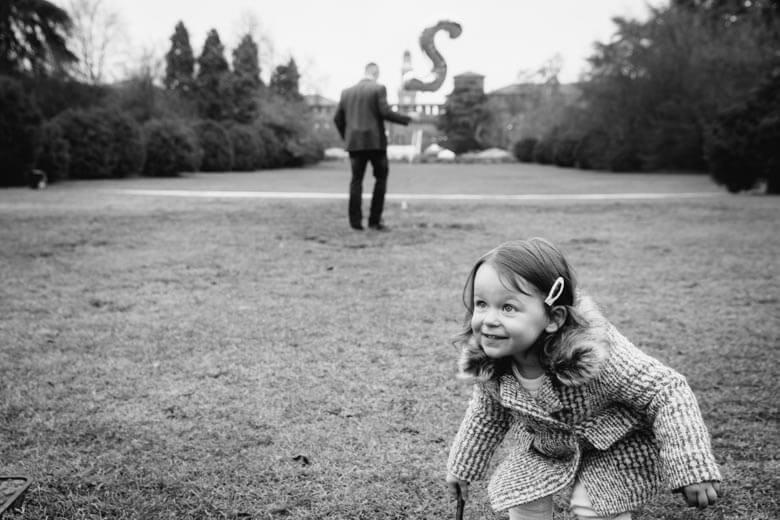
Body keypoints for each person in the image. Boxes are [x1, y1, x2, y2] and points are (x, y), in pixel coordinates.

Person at [445, 238, 721, 520]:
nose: (488, 320)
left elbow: (666, 390)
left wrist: (691, 464)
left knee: (592, 505)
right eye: (481, 304)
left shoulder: (597, 355)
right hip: (548, 445)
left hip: (616, 445)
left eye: (508, 308)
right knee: (522, 495)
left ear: (553, 318)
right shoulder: (494, 367)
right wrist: (462, 467)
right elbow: (485, 415)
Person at [333, 62, 414, 231]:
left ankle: (355, 223)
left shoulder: (346, 92)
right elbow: (385, 112)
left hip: (354, 144)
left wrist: (347, 137)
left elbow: (337, 119)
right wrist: (407, 118)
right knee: (380, 180)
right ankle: (374, 221)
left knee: (356, 181)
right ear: (376, 73)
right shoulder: (378, 89)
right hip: (375, 143)